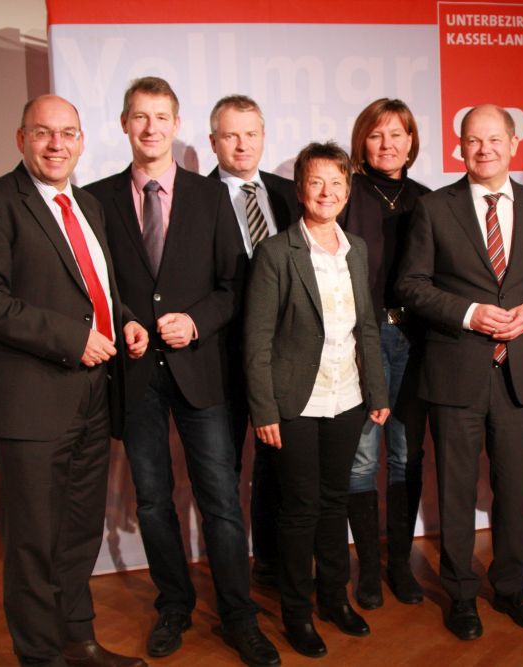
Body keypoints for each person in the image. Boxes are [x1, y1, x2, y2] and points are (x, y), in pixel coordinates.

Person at [84, 78, 279, 667]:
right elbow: (96, 285)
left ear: (176, 124)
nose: (151, 128)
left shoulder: (210, 195)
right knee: (151, 501)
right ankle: (174, 604)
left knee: (220, 498)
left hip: (203, 371)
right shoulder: (95, 200)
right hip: (136, 373)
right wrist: (123, 320)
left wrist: (195, 322)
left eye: (161, 117)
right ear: (124, 124)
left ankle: (239, 615)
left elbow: (235, 284)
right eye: (140, 117)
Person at [0, 94, 149, 667]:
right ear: (22, 139)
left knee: (79, 533)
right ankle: (40, 657)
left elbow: (96, 292)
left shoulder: (87, 205)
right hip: (30, 401)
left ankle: (79, 641)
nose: (56, 144)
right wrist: (72, 338)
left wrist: (125, 319)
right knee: (33, 541)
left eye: (67, 133)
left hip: (92, 394)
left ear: (82, 141)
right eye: (43, 132)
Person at [397, 104, 523, 640]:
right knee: (455, 490)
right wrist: (469, 313)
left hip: (519, 371)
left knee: (514, 487)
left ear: (514, 144)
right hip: (456, 371)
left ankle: (511, 587)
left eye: (494, 139)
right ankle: (462, 594)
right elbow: (411, 285)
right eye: (473, 140)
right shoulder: (434, 208)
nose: (484, 149)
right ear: (460, 147)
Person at [244, 142, 390, 659]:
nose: (326, 192)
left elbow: (366, 327)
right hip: (295, 403)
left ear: (347, 191)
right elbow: (257, 339)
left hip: (346, 396)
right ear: (300, 189)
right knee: (300, 509)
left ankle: (334, 599)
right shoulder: (276, 253)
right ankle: (297, 613)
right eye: (316, 182)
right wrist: (264, 409)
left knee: (335, 503)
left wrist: (377, 390)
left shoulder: (356, 249)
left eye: (337, 183)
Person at [339, 98, 430, 609]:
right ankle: (368, 570)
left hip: (415, 342)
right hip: (362, 340)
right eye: (376, 135)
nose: (387, 144)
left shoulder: (429, 200)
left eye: (397, 134)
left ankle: (399, 564)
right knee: (362, 457)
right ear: (362, 142)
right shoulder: (345, 194)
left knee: (405, 455)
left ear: (411, 141)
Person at [207, 94, 300, 588]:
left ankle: (269, 560)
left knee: (275, 463)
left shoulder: (288, 194)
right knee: (221, 467)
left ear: (263, 137)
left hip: (280, 355)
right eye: (231, 135)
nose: (242, 145)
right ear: (213, 142)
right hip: (218, 356)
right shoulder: (194, 198)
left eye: (250, 134)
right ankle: (229, 575)